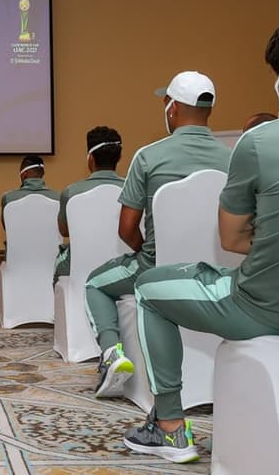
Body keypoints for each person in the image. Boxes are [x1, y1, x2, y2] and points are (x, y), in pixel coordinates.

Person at [123, 10, 279, 464]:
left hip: (267, 309)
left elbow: (231, 239)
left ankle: (169, 427)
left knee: (148, 288)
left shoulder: (262, 142)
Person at [84, 71, 231, 400]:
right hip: (215, 272)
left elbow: (126, 229)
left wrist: (146, 251)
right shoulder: (233, 157)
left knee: (94, 283)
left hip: (156, 268)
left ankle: (111, 354)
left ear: (172, 107)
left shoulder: (148, 156)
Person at [54, 127, 125, 286]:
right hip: (121, 269)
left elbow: (64, 231)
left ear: (90, 159)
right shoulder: (133, 189)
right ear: (119, 157)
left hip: (80, 269)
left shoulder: (71, 193)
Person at [0, 154, 58, 228]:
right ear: (43, 173)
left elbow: (7, 227)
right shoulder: (58, 198)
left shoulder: (8, 198)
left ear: (24, 175)